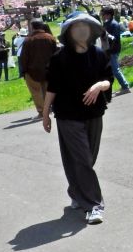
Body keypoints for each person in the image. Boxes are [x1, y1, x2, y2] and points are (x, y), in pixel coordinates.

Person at [42, 13, 112, 224]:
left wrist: (99, 86)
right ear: (68, 32)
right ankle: (94, 205)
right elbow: (52, 88)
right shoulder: (59, 58)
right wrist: (45, 114)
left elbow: (108, 79)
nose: (81, 30)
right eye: (76, 27)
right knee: (82, 159)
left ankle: (76, 191)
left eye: (85, 26)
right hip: (68, 115)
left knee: (88, 158)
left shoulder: (98, 54)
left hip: (94, 114)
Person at [20, 20, 58, 117]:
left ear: (32, 27)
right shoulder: (50, 38)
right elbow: (56, 54)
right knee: (47, 90)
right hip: (49, 70)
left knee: (36, 92)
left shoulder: (28, 40)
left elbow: (24, 57)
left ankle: (41, 111)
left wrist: (23, 71)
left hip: (32, 71)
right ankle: (49, 109)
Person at [98, 7, 131, 95]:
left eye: (103, 14)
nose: (102, 16)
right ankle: (121, 86)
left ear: (108, 15)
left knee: (115, 69)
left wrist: (106, 35)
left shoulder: (114, 24)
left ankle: (125, 86)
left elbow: (114, 39)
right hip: (108, 50)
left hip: (112, 50)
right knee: (112, 70)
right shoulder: (107, 24)